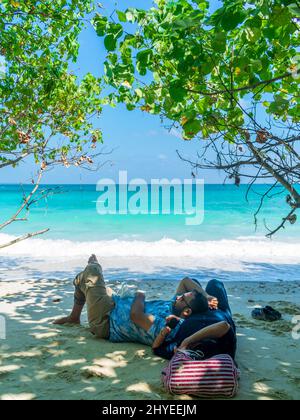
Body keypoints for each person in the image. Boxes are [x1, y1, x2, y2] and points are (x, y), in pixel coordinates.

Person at [54, 255, 218, 347]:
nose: (179, 296)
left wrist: (140, 294)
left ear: (187, 311)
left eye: (183, 298)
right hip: (115, 303)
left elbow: (136, 316)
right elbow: (185, 281)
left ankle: (87, 273)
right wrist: (207, 296)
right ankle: (74, 317)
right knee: (85, 280)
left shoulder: (167, 324)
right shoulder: (176, 307)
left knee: (92, 270)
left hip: (107, 321)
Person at [149, 279, 237, 360]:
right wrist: (188, 341)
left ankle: (199, 297)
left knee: (194, 282)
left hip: (195, 314)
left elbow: (156, 348)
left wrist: (167, 328)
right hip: (219, 312)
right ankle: (203, 298)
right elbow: (224, 326)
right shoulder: (223, 353)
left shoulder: (179, 348)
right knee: (214, 283)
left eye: (182, 298)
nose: (177, 297)